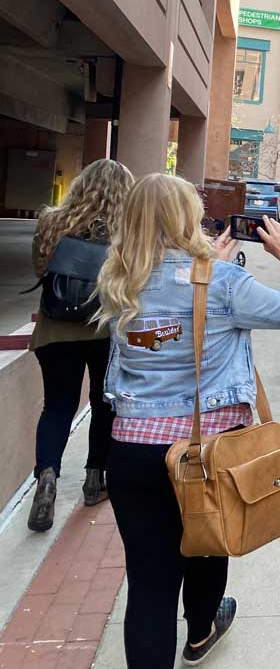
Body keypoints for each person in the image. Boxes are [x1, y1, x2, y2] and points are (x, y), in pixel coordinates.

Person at [94, 173, 280, 668]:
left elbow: (160, 332)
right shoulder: (223, 282)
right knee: (209, 543)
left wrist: (204, 271)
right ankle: (200, 632)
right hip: (206, 452)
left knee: (149, 586)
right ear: (189, 218)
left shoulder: (117, 281)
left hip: (132, 450)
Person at [27, 158, 134, 532]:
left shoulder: (51, 222)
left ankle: (47, 477)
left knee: (57, 406)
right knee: (104, 405)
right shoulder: (127, 229)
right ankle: (94, 479)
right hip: (105, 329)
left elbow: (40, 269)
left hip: (55, 330)